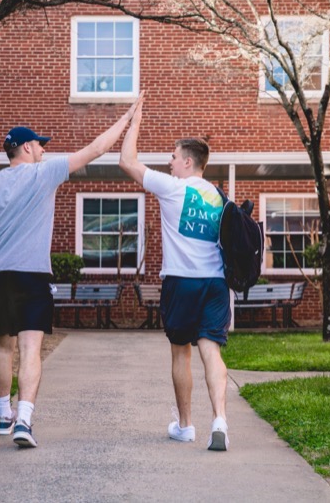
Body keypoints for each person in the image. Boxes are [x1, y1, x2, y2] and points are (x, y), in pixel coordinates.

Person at [0, 99, 139, 448]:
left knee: (1, 348)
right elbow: (97, 148)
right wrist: (127, 119)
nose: (44, 150)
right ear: (27, 147)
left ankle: (2, 415)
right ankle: (24, 420)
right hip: (32, 276)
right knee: (30, 348)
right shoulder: (45, 172)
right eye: (40, 145)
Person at [119, 95, 231, 451]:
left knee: (180, 352)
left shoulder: (174, 188)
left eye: (172, 158)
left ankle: (185, 426)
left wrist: (135, 121)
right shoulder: (218, 196)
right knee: (210, 351)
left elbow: (126, 161)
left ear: (186, 162)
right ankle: (221, 421)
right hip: (215, 283)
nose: (168, 163)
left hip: (181, 281)